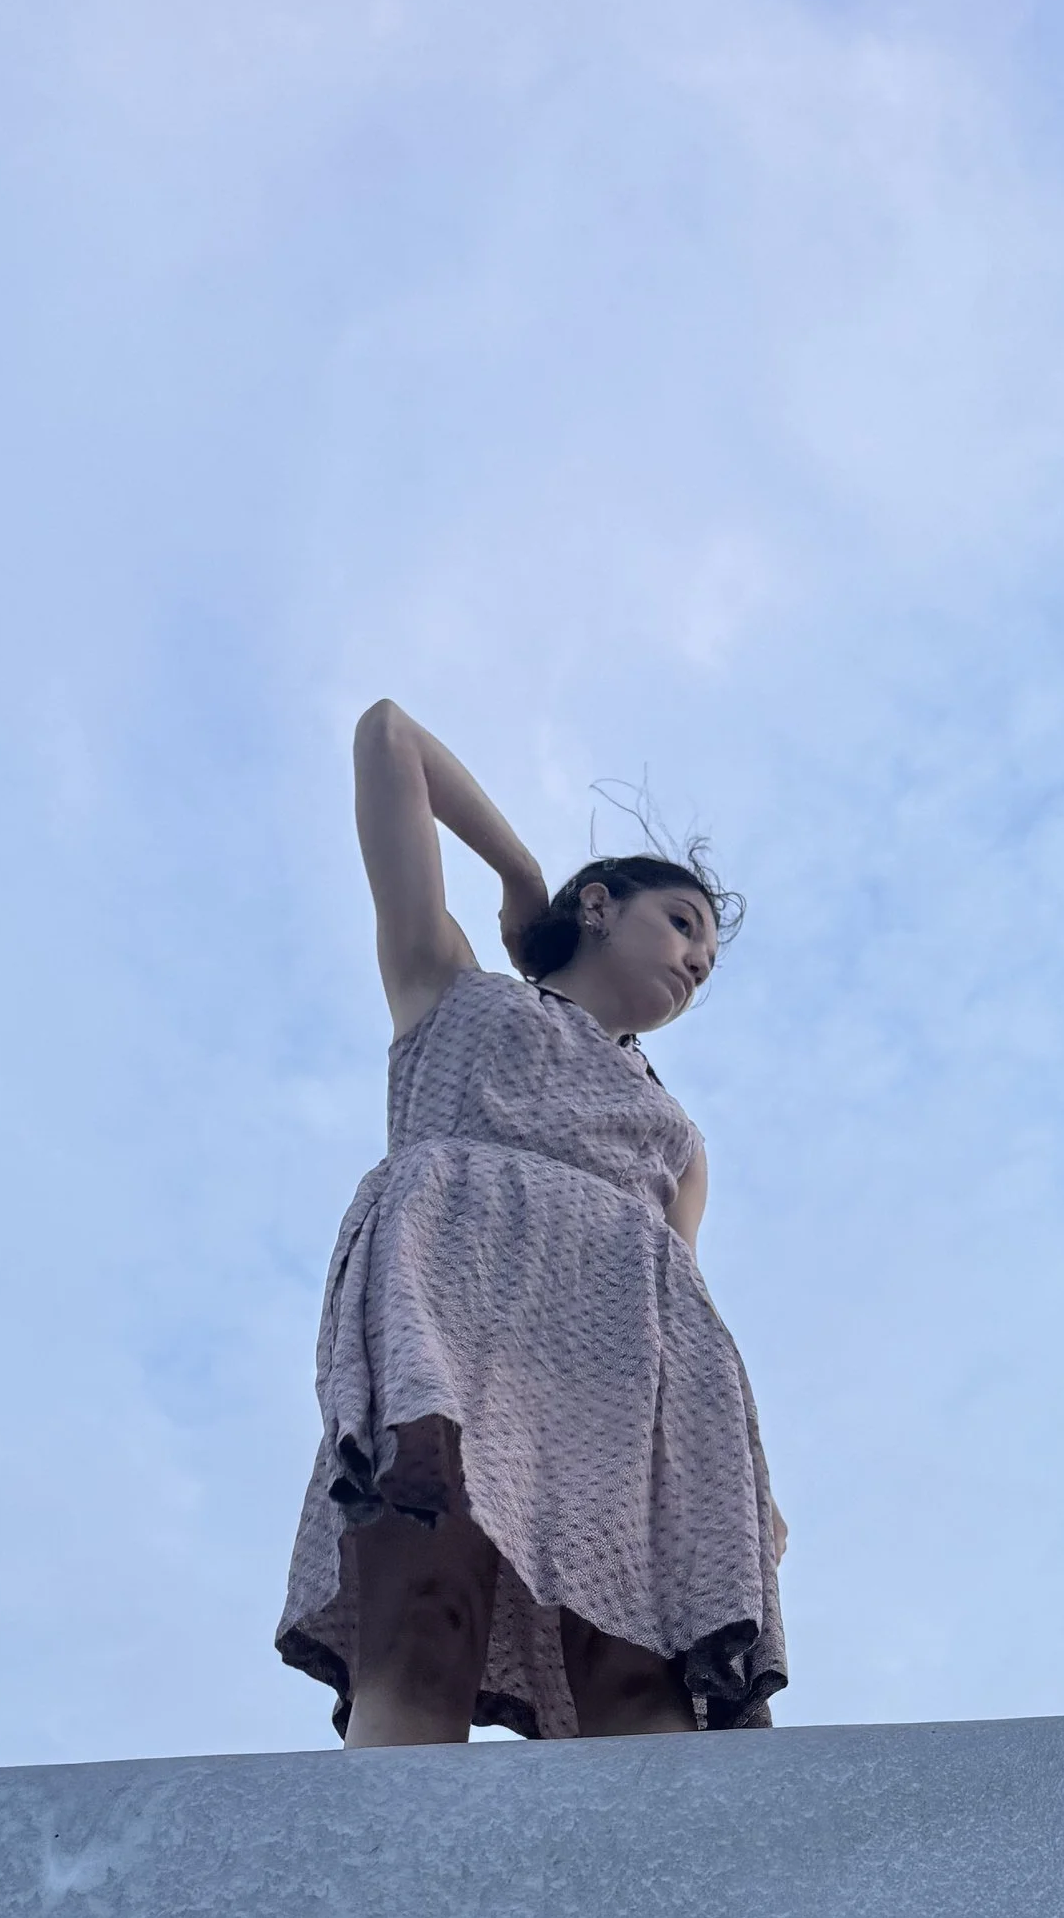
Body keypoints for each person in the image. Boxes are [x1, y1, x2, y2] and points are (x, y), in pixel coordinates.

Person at [276, 699, 788, 1746]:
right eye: (681, 923)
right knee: (424, 1619)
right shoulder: (447, 988)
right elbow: (389, 738)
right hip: (456, 1318)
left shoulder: (676, 1138)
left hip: (624, 1364)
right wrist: (520, 879)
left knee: (638, 1660)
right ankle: (396, 1890)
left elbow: (686, 1297)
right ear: (597, 906)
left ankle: (677, 1903)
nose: (695, 961)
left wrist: (749, 1478)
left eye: (708, 960)